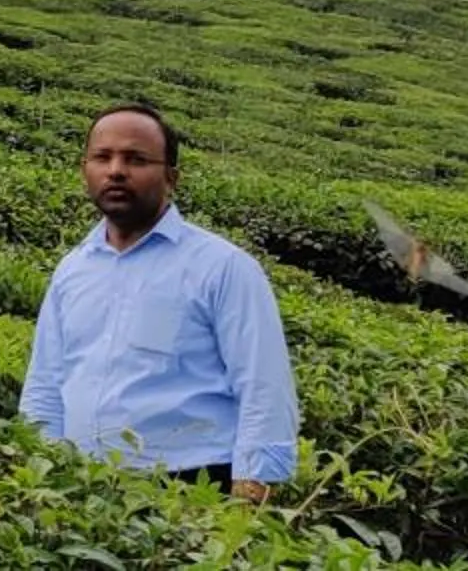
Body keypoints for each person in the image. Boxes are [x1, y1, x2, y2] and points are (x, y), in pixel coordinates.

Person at [19, 105, 296, 501]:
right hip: (80, 484)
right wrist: (39, 470)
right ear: (85, 170)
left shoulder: (224, 268)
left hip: (190, 487)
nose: (116, 170)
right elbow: (46, 382)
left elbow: (264, 387)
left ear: (171, 178)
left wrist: (249, 495)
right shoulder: (73, 269)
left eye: (136, 159)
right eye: (102, 157)